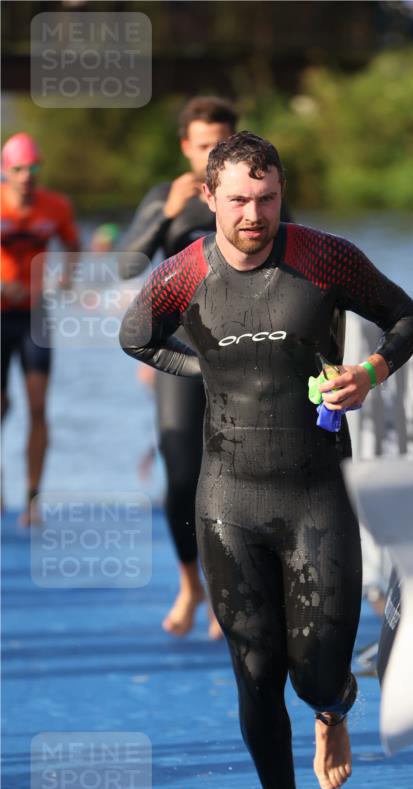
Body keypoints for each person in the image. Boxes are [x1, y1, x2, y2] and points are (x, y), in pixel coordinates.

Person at [120, 132, 413, 789]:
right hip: (227, 497)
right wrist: (202, 371)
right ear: (208, 199)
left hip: (315, 492)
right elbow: (136, 337)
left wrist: (371, 373)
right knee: (255, 670)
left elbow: (407, 319)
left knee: (318, 669)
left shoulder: (326, 258)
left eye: (267, 199)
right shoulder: (181, 275)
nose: (253, 215)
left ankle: (332, 708)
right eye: (237, 201)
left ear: (280, 194)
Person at [119, 96, 240, 638]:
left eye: (222, 144)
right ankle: (191, 582)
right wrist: (167, 213)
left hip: (241, 353)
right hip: (179, 355)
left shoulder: (249, 197)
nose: (212, 154)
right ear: (186, 148)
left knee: (236, 477)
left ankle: (225, 588)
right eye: (203, 146)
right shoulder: (167, 198)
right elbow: (126, 265)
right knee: (182, 475)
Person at [1, 133, 80, 525]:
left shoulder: (56, 206)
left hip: (35, 315)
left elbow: (73, 245)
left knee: (37, 406)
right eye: (18, 169)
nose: (26, 176)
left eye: (32, 168)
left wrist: (65, 277)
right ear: (5, 171)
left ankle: (33, 499)